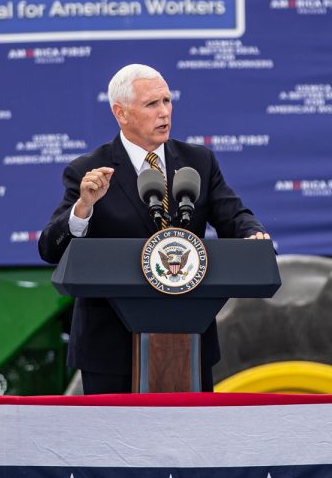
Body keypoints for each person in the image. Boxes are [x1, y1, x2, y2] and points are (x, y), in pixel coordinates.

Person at [38, 63, 270, 395]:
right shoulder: (87, 171)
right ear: (121, 113)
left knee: (188, 441)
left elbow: (233, 214)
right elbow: (50, 248)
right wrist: (84, 207)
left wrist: (252, 235)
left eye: (167, 101)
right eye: (151, 104)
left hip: (188, 339)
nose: (164, 112)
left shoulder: (198, 162)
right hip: (110, 347)